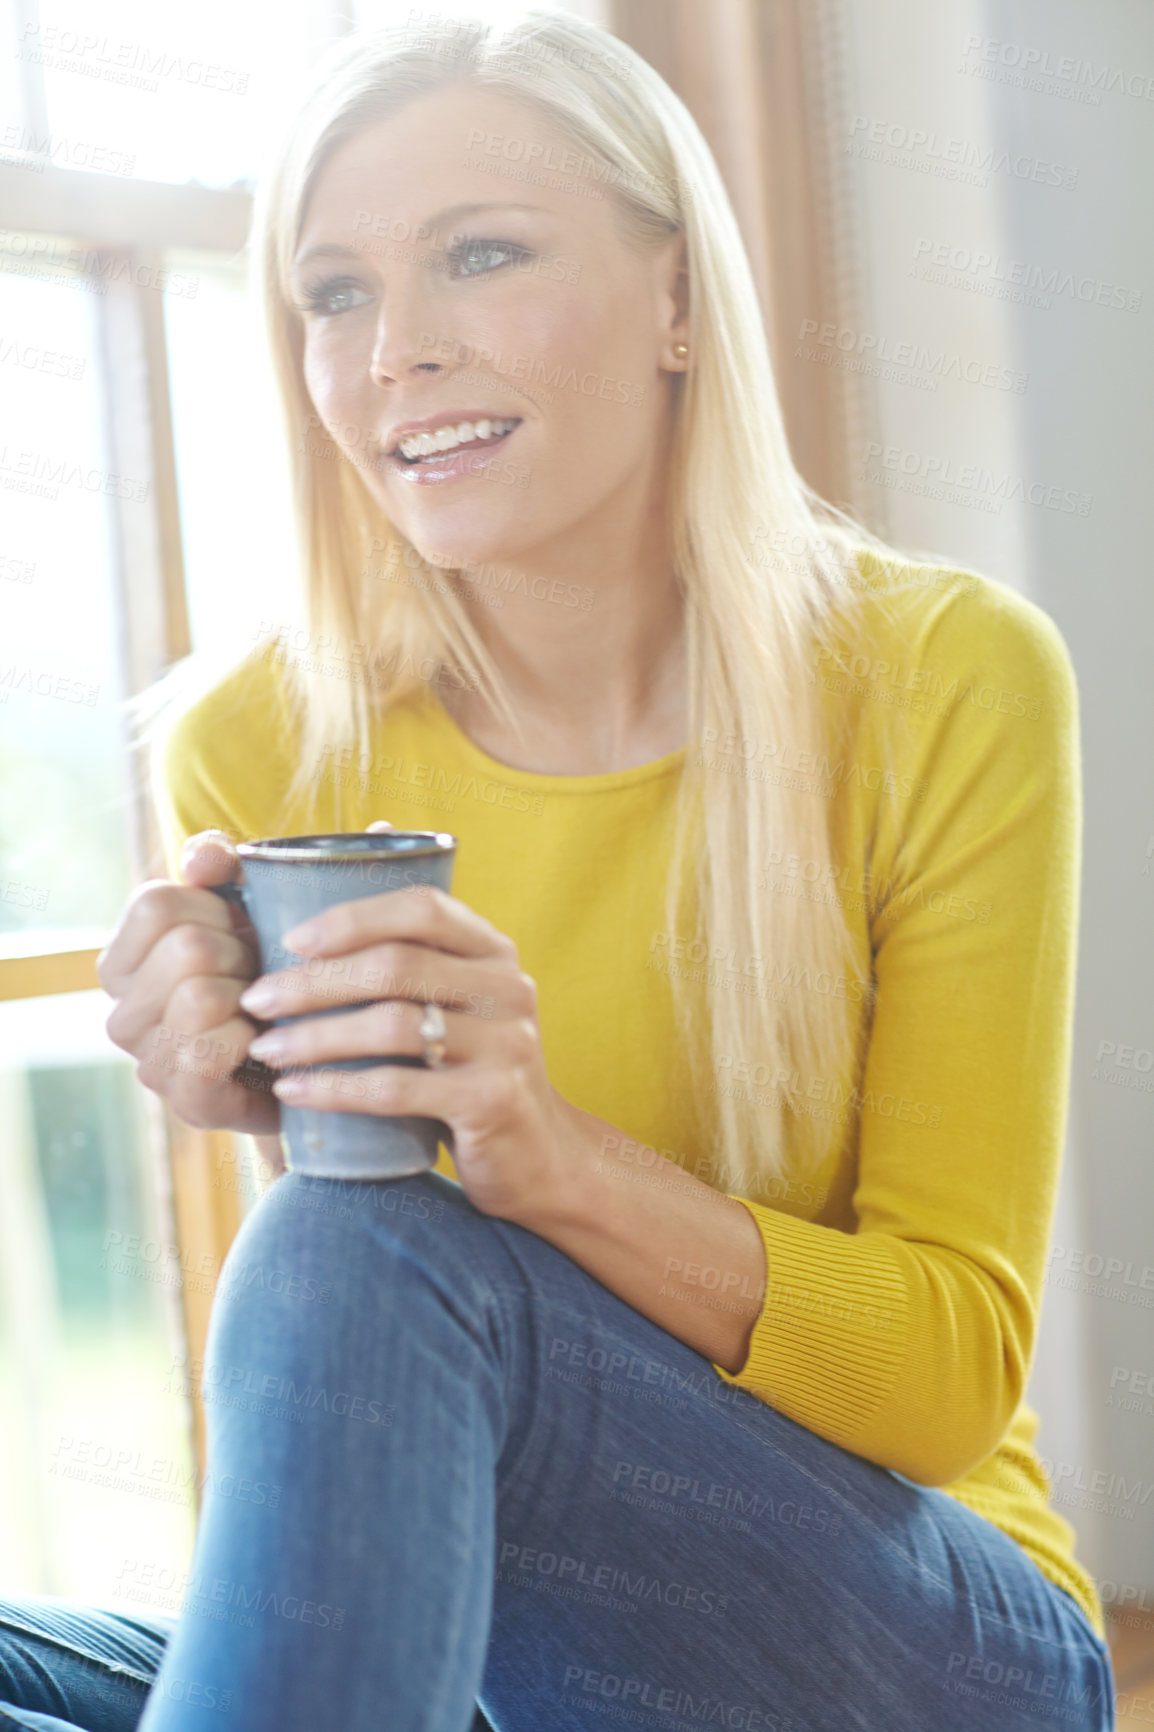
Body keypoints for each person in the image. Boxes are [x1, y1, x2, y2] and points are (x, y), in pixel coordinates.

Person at [0, 9, 1117, 1730]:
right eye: (336, 294)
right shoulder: (264, 743)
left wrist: (539, 1153)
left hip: (923, 1627)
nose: (396, 357)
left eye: (480, 256)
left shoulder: (944, 678)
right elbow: (396, 1399)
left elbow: (945, 1373)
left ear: (677, 300)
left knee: (341, 1248)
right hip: (513, 1652)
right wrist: (271, 1106)